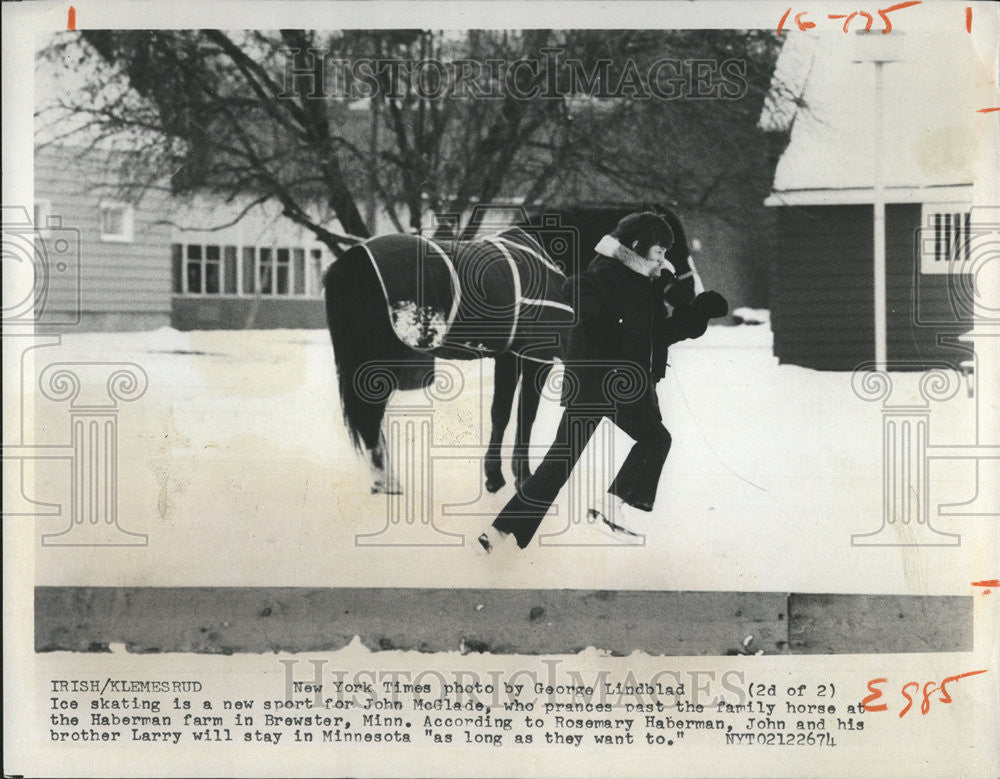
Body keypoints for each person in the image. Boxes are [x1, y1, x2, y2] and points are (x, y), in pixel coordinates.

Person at [477, 211, 727, 553]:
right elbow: (578, 293)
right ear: (638, 247)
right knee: (650, 440)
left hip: (618, 385)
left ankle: (500, 532)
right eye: (659, 251)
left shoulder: (647, 286)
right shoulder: (604, 274)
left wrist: (698, 313)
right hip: (597, 383)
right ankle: (512, 531)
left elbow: (659, 335)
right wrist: (594, 310)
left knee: (567, 460)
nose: (663, 258)